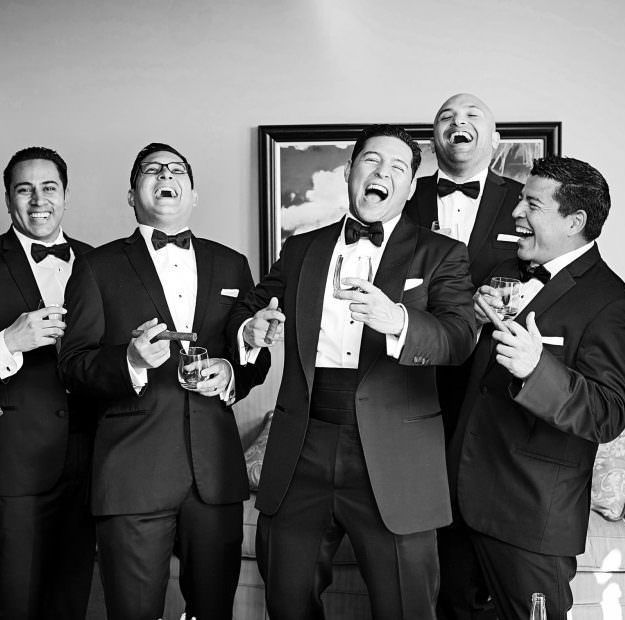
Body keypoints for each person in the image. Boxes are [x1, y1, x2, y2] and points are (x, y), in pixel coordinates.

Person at [232, 124, 478, 620]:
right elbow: (255, 306)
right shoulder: (302, 249)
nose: (382, 173)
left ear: (410, 187)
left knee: (406, 608)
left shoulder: (442, 255)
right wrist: (250, 330)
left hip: (396, 456)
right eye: (371, 161)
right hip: (302, 445)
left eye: (398, 168)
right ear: (349, 172)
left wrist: (399, 321)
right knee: (287, 600)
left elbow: (459, 339)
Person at [58, 143, 270, 620]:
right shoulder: (96, 267)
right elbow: (71, 365)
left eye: (175, 170)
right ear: (132, 195)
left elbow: (249, 355)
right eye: (151, 170)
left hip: (214, 473)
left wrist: (238, 364)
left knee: (213, 611)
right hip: (133, 473)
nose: (164, 174)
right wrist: (130, 361)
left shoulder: (231, 263)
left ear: (192, 194)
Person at [448, 155, 625, 620]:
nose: (516, 212)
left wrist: (537, 369)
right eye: (520, 199)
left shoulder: (613, 304)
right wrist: (472, 322)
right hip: (457, 502)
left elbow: (608, 413)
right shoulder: (502, 273)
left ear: (575, 221)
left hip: (530, 518)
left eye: (531, 204)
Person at [0, 147, 96, 619]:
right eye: (23, 189)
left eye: (49, 188)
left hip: (90, 453)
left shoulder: (98, 262)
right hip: (18, 458)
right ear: (8, 199)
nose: (37, 200)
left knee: (73, 595)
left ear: (65, 196)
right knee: (16, 599)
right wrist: (9, 342)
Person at [403, 93, 525, 620]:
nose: (459, 122)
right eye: (447, 117)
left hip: (494, 382)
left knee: (478, 507)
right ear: (434, 140)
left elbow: (549, 273)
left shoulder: (527, 200)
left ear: (494, 139)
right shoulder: (402, 199)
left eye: (473, 115)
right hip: (412, 382)